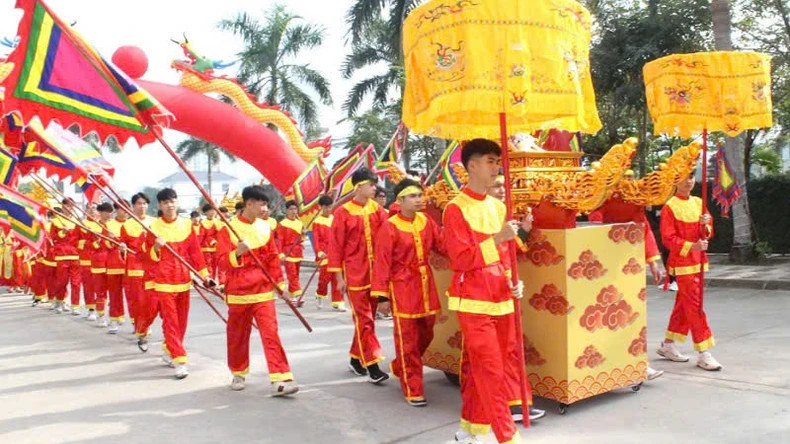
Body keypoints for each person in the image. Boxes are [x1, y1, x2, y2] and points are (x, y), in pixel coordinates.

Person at [444, 139, 528, 444]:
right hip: (473, 300)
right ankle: (507, 435)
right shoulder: (455, 209)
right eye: (491, 161)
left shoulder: (499, 206)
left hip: (502, 297)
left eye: (498, 161)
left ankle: (473, 428)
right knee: (491, 369)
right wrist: (495, 240)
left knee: (492, 366)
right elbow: (460, 259)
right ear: (472, 166)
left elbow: (507, 255)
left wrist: (512, 280)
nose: (496, 167)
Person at [216, 185, 298, 396]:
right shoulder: (228, 228)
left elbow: (272, 260)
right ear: (249, 204)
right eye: (261, 204)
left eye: (266, 204)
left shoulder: (264, 228)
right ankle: (238, 371)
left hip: (263, 291)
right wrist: (237, 253)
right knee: (237, 335)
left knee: (271, 334)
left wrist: (281, 286)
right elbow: (221, 262)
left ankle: (280, 378)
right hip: (238, 292)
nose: (264, 208)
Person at [372, 179, 446, 407]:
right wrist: (382, 296)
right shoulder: (390, 226)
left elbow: (442, 246)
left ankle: (400, 366)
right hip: (402, 288)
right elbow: (382, 262)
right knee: (408, 341)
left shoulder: (426, 221)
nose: (419, 199)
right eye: (413, 196)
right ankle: (413, 387)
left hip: (425, 287)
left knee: (427, 334)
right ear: (400, 200)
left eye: (420, 195)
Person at [586, 170, 666, 381]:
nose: (628, 181)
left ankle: (638, 364)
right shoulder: (602, 193)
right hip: (604, 264)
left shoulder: (635, 199)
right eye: (625, 177)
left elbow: (644, 228)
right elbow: (594, 221)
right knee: (605, 318)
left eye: (631, 177)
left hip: (630, 266)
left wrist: (653, 262)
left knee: (632, 315)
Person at [328, 168, 390, 384]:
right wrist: (339, 278)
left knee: (367, 320)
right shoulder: (342, 213)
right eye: (371, 184)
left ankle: (356, 359)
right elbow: (335, 248)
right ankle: (372, 365)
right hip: (354, 275)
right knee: (364, 320)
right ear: (359, 187)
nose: (375, 188)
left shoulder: (379, 211)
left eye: (375, 184)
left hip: (376, 275)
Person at [656, 171, 721, 371]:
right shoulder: (670, 207)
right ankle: (704, 352)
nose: (689, 181)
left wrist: (705, 225)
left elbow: (708, 233)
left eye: (691, 176)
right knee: (695, 306)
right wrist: (690, 246)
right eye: (684, 177)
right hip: (683, 263)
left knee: (685, 305)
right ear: (675, 181)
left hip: (699, 261)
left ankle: (668, 345)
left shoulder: (698, 202)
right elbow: (668, 238)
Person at [143, 188, 211, 379]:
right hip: (164, 281)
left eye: (172, 201)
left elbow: (195, 253)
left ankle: (169, 348)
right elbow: (146, 258)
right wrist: (156, 247)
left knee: (182, 322)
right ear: (160, 206)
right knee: (171, 321)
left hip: (183, 280)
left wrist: (205, 276)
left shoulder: (187, 225)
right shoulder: (153, 227)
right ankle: (180, 360)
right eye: (165, 202)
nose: (170, 205)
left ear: (177, 202)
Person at [120, 193, 154, 351]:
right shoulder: (126, 226)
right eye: (139, 204)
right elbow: (123, 248)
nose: (142, 206)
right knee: (138, 302)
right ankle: (142, 331)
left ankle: (143, 326)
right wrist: (122, 249)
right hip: (135, 268)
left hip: (152, 268)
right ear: (133, 206)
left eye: (145, 203)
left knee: (150, 303)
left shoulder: (154, 223)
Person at [312, 195, 344, 311]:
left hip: (335, 253)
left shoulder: (335, 219)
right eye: (325, 207)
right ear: (320, 207)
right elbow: (316, 239)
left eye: (330, 207)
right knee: (324, 279)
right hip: (324, 254)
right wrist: (319, 252)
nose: (328, 209)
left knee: (337, 278)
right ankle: (319, 294)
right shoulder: (317, 222)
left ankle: (338, 302)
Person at [49, 199, 81, 314]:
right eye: (68, 206)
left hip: (75, 256)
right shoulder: (56, 221)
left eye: (72, 206)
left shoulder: (77, 222)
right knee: (61, 282)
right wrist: (62, 232)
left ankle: (75, 305)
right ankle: (59, 301)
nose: (70, 208)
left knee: (76, 282)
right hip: (62, 255)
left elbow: (81, 238)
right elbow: (53, 238)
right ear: (63, 207)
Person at [105, 202, 129, 334]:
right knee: (114, 294)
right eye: (121, 209)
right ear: (116, 210)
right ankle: (114, 319)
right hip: (114, 264)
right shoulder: (109, 225)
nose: (124, 211)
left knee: (133, 296)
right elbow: (106, 245)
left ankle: (136, 321)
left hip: (130, 266)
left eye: (126, 208)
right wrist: (111, 241)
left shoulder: (133, 224)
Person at [276, 200, 304, 300]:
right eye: (291, 209)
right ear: (287, 210)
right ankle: (297, 294)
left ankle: (293, 294)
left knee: (296, 274)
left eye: (295, 209)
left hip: (298, 252)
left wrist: (303, 234)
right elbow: (279, 240)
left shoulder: (300, 223)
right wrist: (281, 254)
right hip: (287, 252)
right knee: (292, 274)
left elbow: (302, 239)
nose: (293, 211)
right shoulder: (282, 224)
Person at [78, 205, 100, 320]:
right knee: (88, 287)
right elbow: (75, 241)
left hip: (100, 260)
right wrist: (89, 240)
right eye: (90, 208)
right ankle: (91, 309)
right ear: (86, 210)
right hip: (86, 259)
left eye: (95, 208)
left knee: (101, 288)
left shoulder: (102, 224)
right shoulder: (81, 224)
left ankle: (102, 311)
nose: (92, 210)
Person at [200, 204, 220, 280]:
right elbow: (203, 235)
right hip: (206, 248)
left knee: (215, 265)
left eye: (214, 210)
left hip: (217, 247)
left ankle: (213, 280)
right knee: (208, 265)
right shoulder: (203, 223)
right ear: (206, 212)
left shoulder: (218, 222)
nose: (212, 212)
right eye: (210, 210)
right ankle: (210, 280)